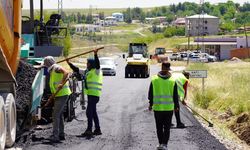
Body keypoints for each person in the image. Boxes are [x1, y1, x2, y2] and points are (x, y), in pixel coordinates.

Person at [66, 49, 103, 138]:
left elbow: (98, 64)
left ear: (91, 64)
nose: (87, 64)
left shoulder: (97, 71)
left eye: (88, 63)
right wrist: (69, 63)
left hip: (95, 95)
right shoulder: (87, 71)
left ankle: (89, 130)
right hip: (90, 95)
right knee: (93, 112)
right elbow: (77, 70)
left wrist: (95, 54)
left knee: (89, 112)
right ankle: (97, 129)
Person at [148, 61, 179, 150]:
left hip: (158, 108)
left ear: (162, 67)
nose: (167, 70)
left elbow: (150, 93)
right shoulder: (172, 80)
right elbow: (175, 95)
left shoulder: (154, 79)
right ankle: (163, 144)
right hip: (168, 109)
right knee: (165, 127)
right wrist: (176, 106)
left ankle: (162, 143)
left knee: (160, 127)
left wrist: (151, 104)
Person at [43, 56, 72, 143]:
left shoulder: (56, 68)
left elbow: (66, 72)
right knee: (59, 115)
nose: (45, 65)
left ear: (48, 63)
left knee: (55, 115)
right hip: (59, 95)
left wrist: (61, 83)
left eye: (45, 64)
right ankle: (61, 134)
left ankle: (55, 136)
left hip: (62, 94)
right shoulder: (52, 70)